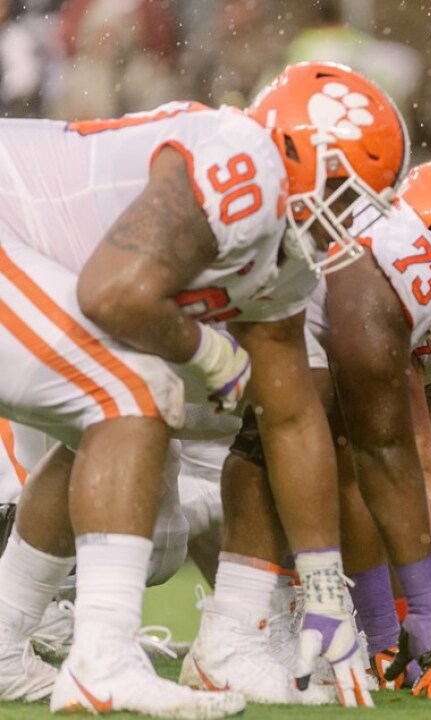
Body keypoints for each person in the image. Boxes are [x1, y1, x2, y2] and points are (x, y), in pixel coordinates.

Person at [0, 60, 407, 715]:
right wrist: (214, 356)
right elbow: (112, 294)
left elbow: (291, 418)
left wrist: (325, 582)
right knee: (133, 386)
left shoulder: (285, 247)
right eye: (339, 191)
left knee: (118, 406)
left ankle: (8, 638)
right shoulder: (243, 161)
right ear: (294, 151)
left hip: (32, 259)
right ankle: (101, 662)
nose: (344, 219)